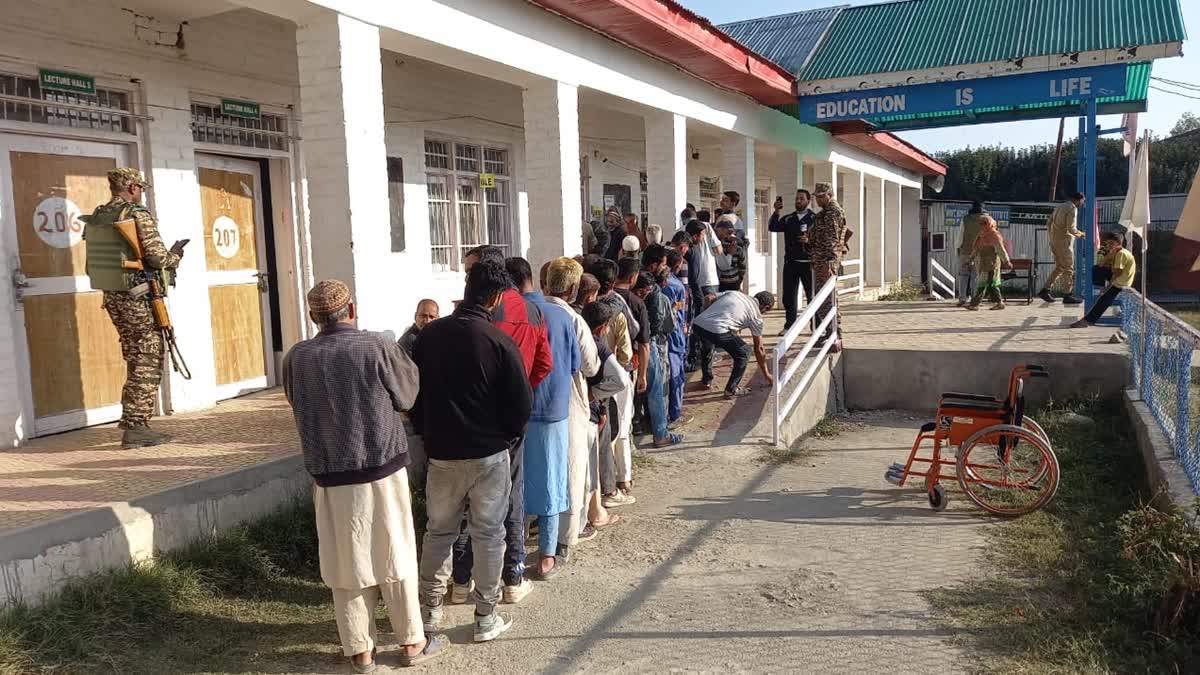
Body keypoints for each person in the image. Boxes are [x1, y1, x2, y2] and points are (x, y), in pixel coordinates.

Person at [282, 280, 446, 671]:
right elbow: (408, 395)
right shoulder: (375, 346)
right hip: (381, 468)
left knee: (345, 562)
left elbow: (296, 400)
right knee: (395, 552)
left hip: (330, 475)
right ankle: (411, 641)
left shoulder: (296, 358)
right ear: (350, 310)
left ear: (312, 317)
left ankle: (360, 651)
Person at [413, 258, 531, 644]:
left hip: (442, 454)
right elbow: (521, 405)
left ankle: (429, 617)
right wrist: (507, 437)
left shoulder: (429, 336)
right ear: (497, 297)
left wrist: (427, 433)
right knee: (488, 535)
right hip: (488, 454)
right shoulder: (498, 341)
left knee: (439, 533)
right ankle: (484, 617)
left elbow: (413, 396)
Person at [455, 246, 550, 604]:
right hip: (512, 415)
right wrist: (523, 389)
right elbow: (544, 363)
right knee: (510, 494)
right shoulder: (532, 312)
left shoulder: (472, 314)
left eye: (470, 272)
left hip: (472, 413)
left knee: (466, 495)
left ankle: (462, 578)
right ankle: (512, 574)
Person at [84, 167, 185, 449]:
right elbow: (157, 257)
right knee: (148, 354)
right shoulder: (136, 214)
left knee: (134, 351)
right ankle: (136, 426)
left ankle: (135, 420)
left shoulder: (100, 215)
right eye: (139, 187)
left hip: (114, 297)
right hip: (138, 296)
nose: (140, 192)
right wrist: (175, 256)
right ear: (130, 187)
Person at [503, 258, 579, 581]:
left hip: (516, 410)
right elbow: (575, 364)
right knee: (551, 479)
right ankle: (546, 554)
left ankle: (515, 549)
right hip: (552, 409)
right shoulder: (562, 316)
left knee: (514, 481)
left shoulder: (507, 316)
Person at [540, 258, 604, 563]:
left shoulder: (533, 312)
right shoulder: (574, 320)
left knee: (538, 468)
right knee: (571, 469)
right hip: (569, 400)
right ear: (575, 288)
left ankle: (536, 531)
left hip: (535, 401)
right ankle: (563, 540)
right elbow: (591, 366)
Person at [693, 290, 776, 399]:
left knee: (708, 345)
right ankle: (731, 389)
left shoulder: (735, 293)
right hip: (718, 330)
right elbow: (759, 348)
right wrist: (767, 375)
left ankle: (706, 380)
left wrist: (708, 315)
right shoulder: (756, 316)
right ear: (766, 307)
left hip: (698, 324)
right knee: (745, 352)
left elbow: (708, 298)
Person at [634, 271, 682, 447]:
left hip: (635, 345)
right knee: (656, 388)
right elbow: (665, 326)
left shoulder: (625, 297)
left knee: (640, 389)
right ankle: (661, 433)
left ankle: (640, 424)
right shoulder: (656, 297)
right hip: (649, 344)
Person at [768, 190, 815, 331]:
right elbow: (772, 227)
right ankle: (789, 326)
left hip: (809, 264)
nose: (798, 201)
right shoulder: (789, 219)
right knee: (789, 296)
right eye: (796, 199)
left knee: (811, 295)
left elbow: (822, 239)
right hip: (791, 263)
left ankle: (816, 326)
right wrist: (776, 210)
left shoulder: (815, 219)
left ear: (808, 201)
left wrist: (809, 239)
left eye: (801, 198)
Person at [809, 183, 847, 351]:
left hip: (826, 261)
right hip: (820, 260)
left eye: (821, 196)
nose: (818, 199)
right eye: (816, 196)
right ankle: (830, 331)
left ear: (829, 195)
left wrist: (830, 262)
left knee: (827, 298)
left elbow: (832, 238)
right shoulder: (824, 213)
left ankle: (834, 332)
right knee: (822, 297)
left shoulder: (833, 212)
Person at [1071, 232, 1136, 328]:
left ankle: (1088, 320)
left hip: (1121, 282)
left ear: (1118, 243)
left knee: (1103, 300)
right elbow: (1101, 265)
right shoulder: (1116, 252)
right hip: (1118, 278)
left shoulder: (1121, 254)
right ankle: (1098, 288)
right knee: (1097, 269)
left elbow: (1117, 274)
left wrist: (1107, 287)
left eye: (1111, 244)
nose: (1109, 246)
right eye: (1108, 244)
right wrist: (1109, 256)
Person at [1038, 192, 1087, 305]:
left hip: (1055, 241)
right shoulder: (1072, 208)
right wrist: (1083, 234)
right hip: (1065, 242)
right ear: (1079, 200)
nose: (1082, 203)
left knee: (1060, 267)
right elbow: (1071, 229)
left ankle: (1045, 290)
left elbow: (1049, 222)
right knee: (1069, 269)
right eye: (1082, 201)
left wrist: (1052, 236)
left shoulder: (1060, 206)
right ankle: (1067, 295)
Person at [662, 250, 691, 427]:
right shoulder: (677, 286)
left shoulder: (660, 283)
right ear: (678, 264)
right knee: (676, 375)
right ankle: (675, 412)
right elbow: (680, 313)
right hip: (674, 335)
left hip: (660, 336)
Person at [964, 215, 1012, 311]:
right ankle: (999, 303)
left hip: (992, 264)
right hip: (982, 264)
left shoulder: (994, 236)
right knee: (991, 285)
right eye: (981, 223)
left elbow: (1000, 250)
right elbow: (976, 249)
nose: (982, 225)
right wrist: (969, 260)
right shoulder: (981, 235)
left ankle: (974, 304)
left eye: (985, 223)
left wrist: (1006, 261)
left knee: (983, 284)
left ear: (990, 224)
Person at [957, 202, 986, 307]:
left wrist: (958, 248)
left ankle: (962, 298)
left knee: (963, 275)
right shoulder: (987, 220)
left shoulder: (965, 219)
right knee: (976, 276)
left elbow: (961, 235)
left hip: (965, 251)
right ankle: (975, 299)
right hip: (980, 252)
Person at [715, 219, 748, 293]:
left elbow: (742, 265)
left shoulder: (738, 247)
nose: (730, 236)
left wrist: (739, 279)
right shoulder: (718, 246)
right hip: (721, 283)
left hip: (735, 283)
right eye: (728, 233)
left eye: (731, 233)